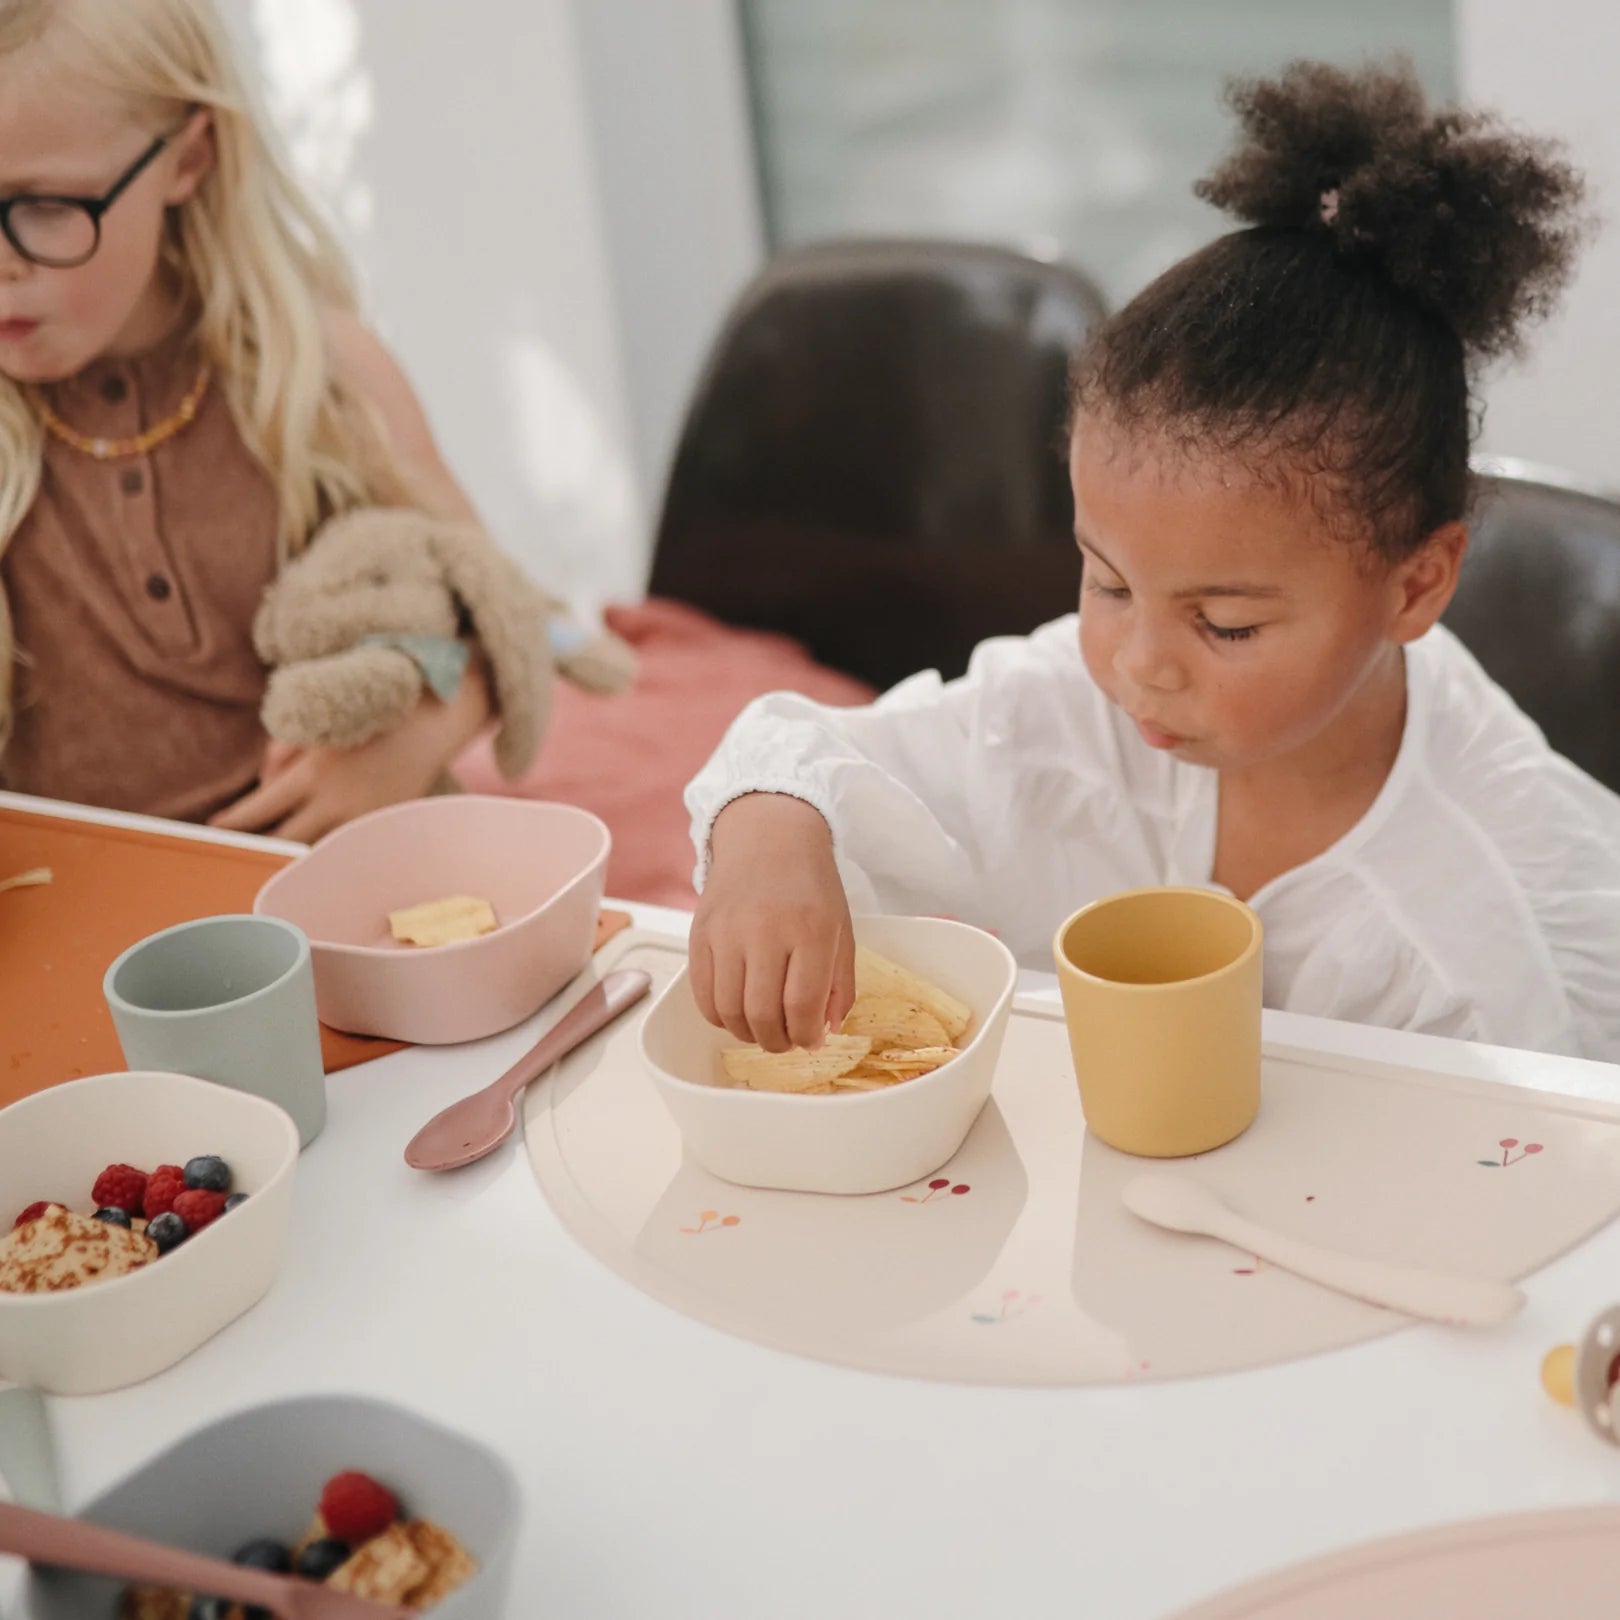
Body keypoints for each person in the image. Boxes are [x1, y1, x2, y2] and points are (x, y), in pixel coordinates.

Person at [685, 60, 1620, 1063]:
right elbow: (813, 756)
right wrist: (770, 838)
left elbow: (1524, 1180)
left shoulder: (1480, 948)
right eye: (1109, 581)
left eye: (1225, 625)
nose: (1141, 662)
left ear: (1416, 585)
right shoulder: (1095, 703)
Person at [0, 0, 498, 842]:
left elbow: (509, 619)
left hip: (346, 892)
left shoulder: (326, 376)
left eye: (45, 205)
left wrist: (417, 734)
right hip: (86, 937)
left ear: (189, 160)